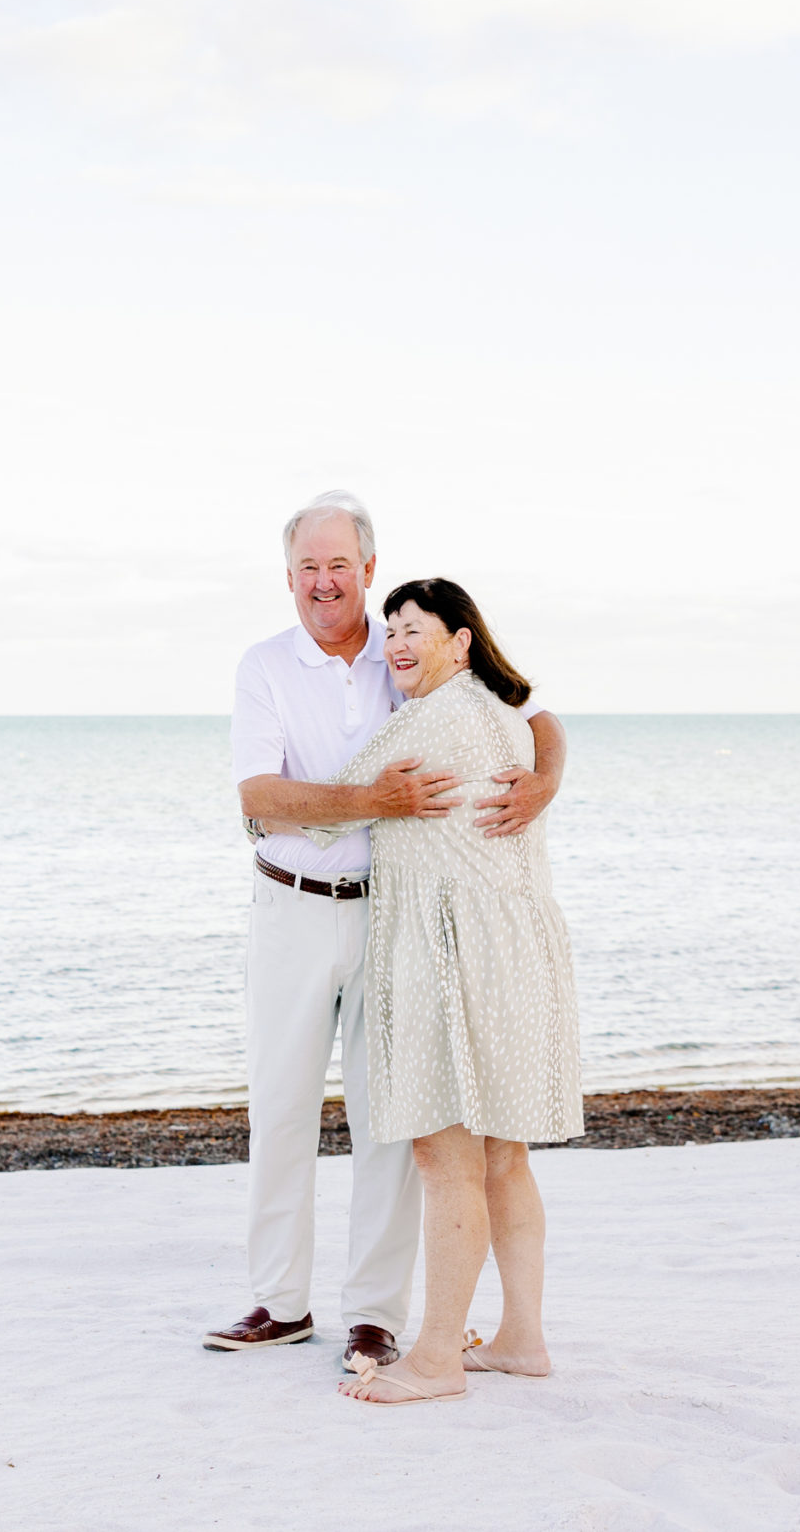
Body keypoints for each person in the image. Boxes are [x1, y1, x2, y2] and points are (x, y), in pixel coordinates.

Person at [207, 494, 568, 1373]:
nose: (323, 582)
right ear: (288, 576)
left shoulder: (408, 651)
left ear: (367, 569)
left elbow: (533, 716)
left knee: (390, 1126)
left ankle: (373, 1315)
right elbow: (258, 795)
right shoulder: (265, 666)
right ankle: (279, 1302)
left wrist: (545, 781)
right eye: (307, 568)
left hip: (392, 918)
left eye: (338, 565)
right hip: (291, 905)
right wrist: (373, 800)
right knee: (281, 1109)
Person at [303, 577, 585, 1406]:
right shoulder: (501, 714)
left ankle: (435, 1358)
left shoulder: (428, 718)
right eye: (388, 626)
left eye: (413, 627)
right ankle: (521, 1339)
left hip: (457, 956)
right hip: (519, 950)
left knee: (446, 1156)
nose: (393, 640)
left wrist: (256, 809)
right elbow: (544, 718)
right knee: (503, 1156)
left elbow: (327, 813)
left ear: (461, 641)